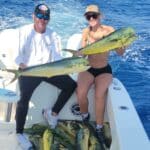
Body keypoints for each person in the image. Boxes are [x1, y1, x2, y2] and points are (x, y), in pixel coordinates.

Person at [15, 3, 76, 149]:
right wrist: (24, 66)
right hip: (30, 70)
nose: (42, 19)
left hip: (48, 70)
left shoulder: (53, 34)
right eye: (40, 16)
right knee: (23, 98)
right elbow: (18, 56)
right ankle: (19, 133)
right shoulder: (23, 32)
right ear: (34, 16)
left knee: (71, 85)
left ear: (49, 19)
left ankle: (52, 113)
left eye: (46, 17)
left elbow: (56, 57)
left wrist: (62, 69)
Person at [76, 4, 125, 147]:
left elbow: (120, 53)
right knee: (80, 92)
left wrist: (120, 44)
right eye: (88, 16)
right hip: (88, 68)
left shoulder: (110, 31)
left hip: (104, 69)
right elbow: (84, 53)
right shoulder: (85, 32)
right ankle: (85, 117)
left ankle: (98, 127)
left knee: (99, 95)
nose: (91, 18)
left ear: (100, 16)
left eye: (94, 15)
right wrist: (80, 53)